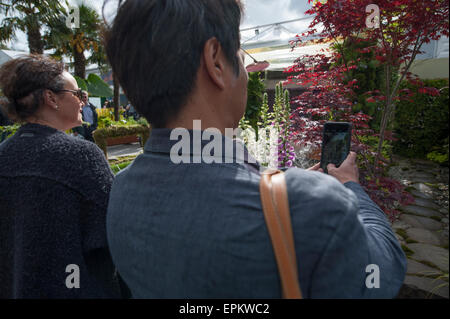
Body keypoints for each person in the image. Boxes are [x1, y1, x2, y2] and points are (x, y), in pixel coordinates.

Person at [105, 0, 406, 298]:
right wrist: (351, 188)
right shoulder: (314, 208)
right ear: (216, 61)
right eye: (239, 52)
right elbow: (385, 269)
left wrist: (279, 182)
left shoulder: (120, 190)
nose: (247, 71)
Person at [0, 54, 124, 298]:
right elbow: (118, 236)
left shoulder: (4, 154)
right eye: (77, 94)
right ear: (50, 98)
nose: (83, 101)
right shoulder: (81, 156)